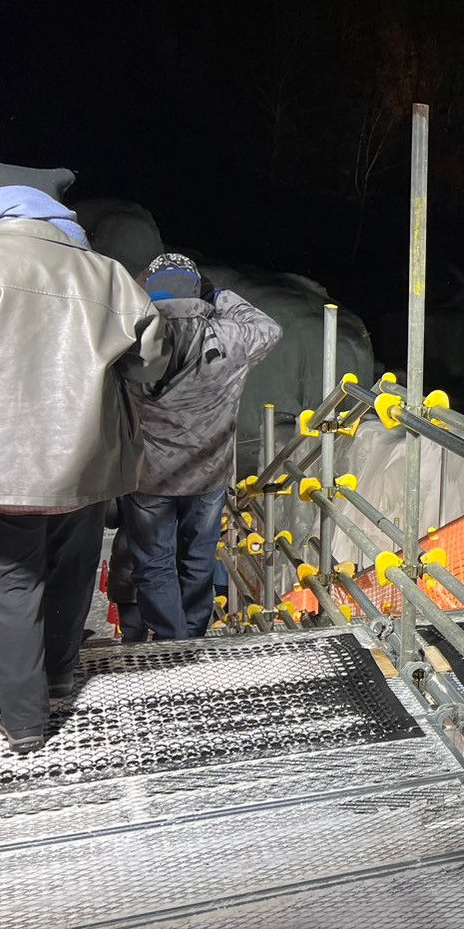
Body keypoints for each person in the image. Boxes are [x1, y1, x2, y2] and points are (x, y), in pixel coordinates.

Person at [0, 155, 171, 752]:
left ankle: (24, 718)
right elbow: (154, 363)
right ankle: (56, 681)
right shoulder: (107, 277)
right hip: (84, 463)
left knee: (4, 585)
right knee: (69, 577)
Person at [121, 254, 280, 642]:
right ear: (196, 289)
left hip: (148, 475)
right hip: (208, 473)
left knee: (154, 564)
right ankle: (192, 635)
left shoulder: (130, 336)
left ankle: (171, 641)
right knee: (198, 559)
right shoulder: (229, 337)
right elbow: (269, 328)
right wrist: (220, 294)